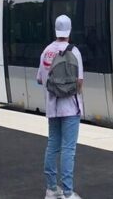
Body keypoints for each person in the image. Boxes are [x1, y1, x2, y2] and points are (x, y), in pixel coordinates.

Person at [37, 15, 83, 199]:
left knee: (52, 145)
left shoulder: (47, 51)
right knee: (68, 149)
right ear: (69, 30)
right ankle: (68, 192)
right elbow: (79, 82)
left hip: (52, 107)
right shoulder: (75, 51)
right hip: (71, 107)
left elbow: (40, 79)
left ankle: (51, 189)